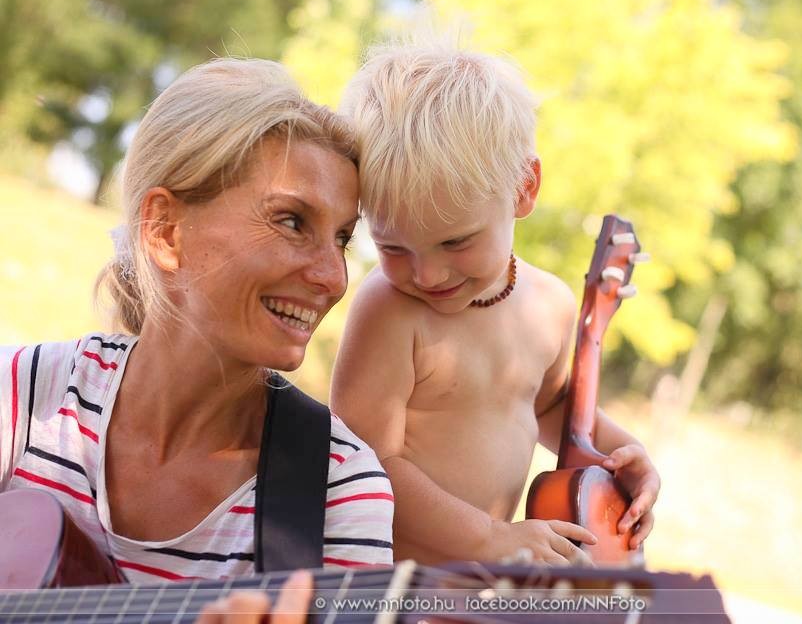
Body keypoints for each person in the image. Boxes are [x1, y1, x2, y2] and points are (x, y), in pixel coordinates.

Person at [0, 58, 393, 619]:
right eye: (291, 221)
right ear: (165, 231)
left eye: (343, 238)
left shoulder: (341, 490)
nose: (334, 278)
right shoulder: (24, 396)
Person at [332, 37, 661, 566]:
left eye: (455, 241)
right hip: (382, 578)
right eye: (392, 247)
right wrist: (489, 536)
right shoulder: (389, 311)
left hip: (468, 587)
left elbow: (551, 406)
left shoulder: (549, 306)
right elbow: (365, 465)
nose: (426, 274)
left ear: (523, 188)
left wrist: (627, 454)